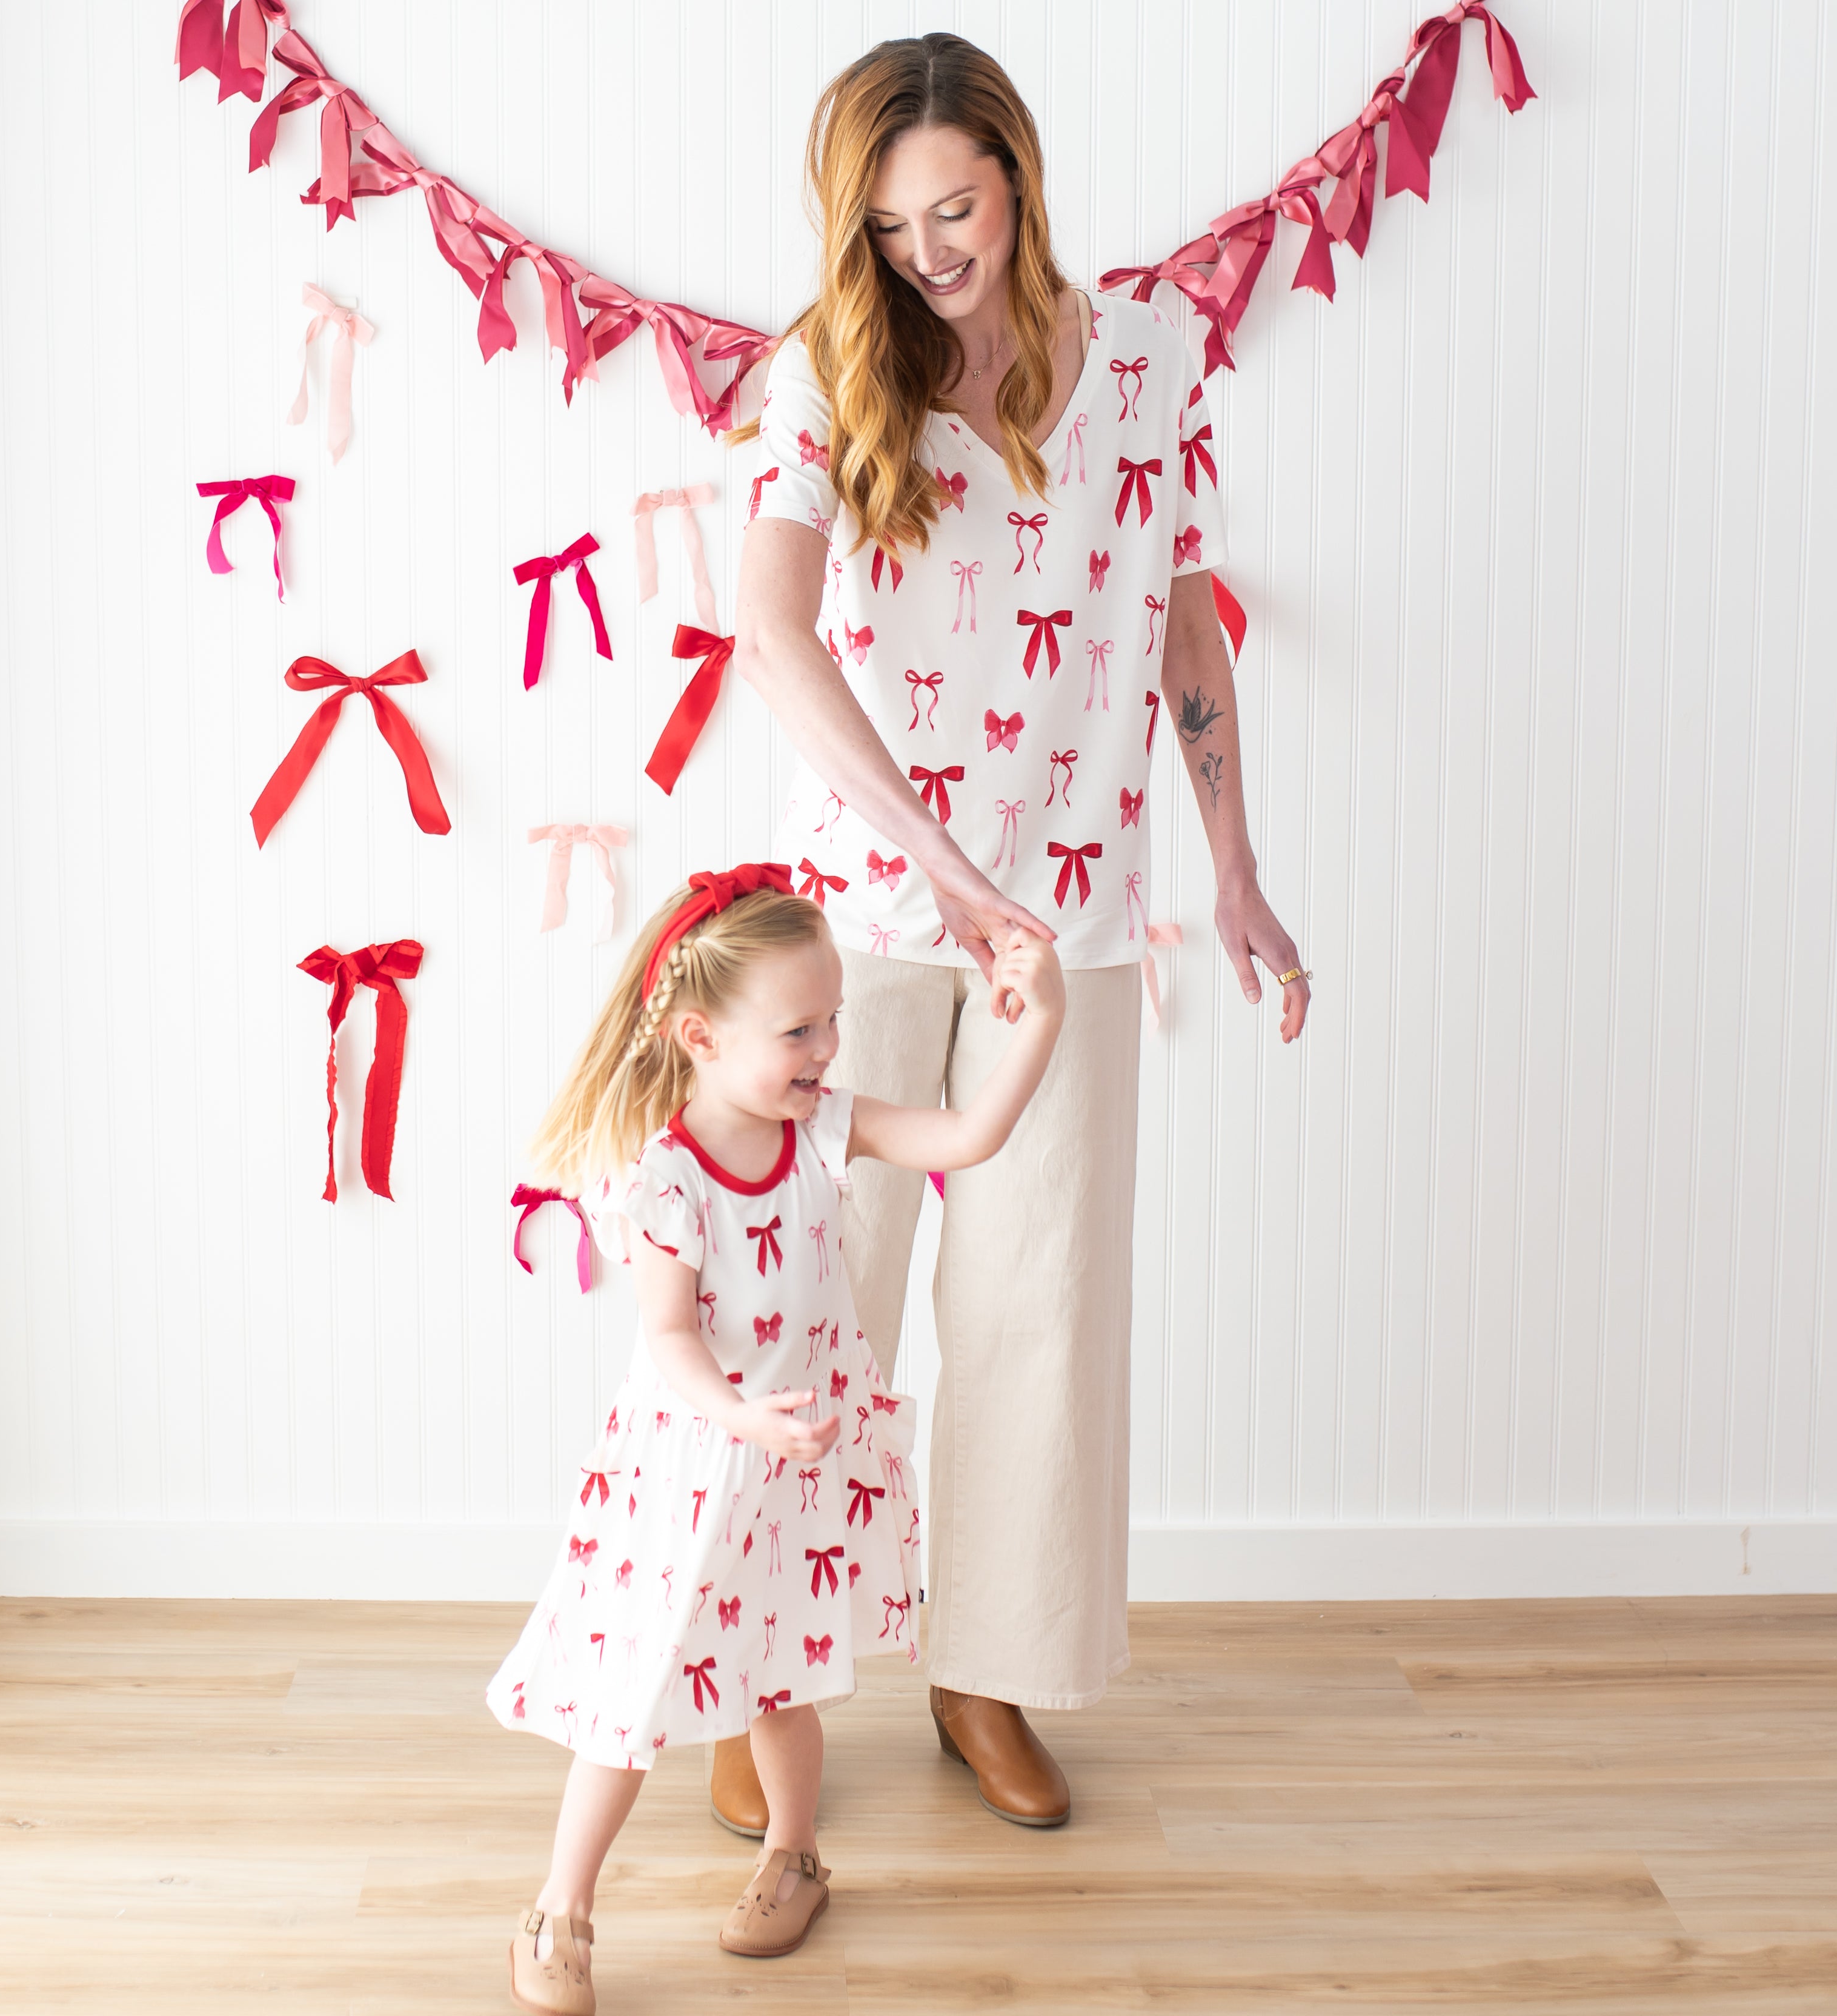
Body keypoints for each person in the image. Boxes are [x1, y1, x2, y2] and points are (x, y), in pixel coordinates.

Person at [723, 34, 1312, 1833]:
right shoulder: (825, 369)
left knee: (1036, 1311)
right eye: (892, 224)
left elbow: (1185, 620)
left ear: (1019, 178)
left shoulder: (1146, 358)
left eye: (956, 208)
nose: (929, 252)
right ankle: (775, 1690)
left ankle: (985, 1674)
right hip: (870, 923)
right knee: (824, 1305)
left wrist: (1235, 864)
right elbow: (774, 637)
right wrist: (943, 867)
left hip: (1079, 915)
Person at [487, 861, 1063, 2015]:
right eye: (799, 1028)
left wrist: (1042, 1017)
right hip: (696, 1464)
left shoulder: (823, 1131)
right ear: (700, 1036)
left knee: (783, 1681)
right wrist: (742, 1415)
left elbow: (966, 1139)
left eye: (834, 1019)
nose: (828, 1048)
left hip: (796, 1464)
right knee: (632, 1695)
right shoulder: (667, 1178)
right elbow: (667, 1334)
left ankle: (795, 1858)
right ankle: (561, 1907)